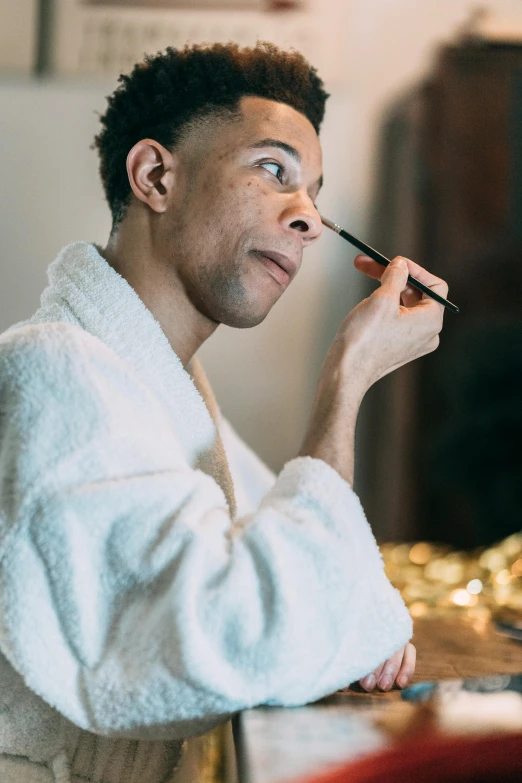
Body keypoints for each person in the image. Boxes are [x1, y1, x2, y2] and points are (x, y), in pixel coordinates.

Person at [0, 42, 447, 783]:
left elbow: (328, 584)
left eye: (314, 192)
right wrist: (347, 377)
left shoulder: (167, 393)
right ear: (155, 176)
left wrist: (340, 614)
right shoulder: (51, 371)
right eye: (274, 170)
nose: (307, 217)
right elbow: (258, 633)